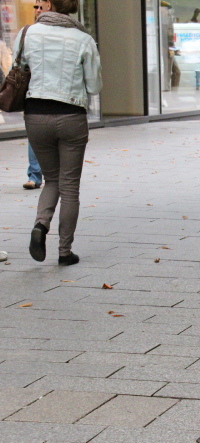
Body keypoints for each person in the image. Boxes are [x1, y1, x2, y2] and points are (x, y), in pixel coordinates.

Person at [19, 0, 102, 266]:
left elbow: (19, 69)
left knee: (50, 179)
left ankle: (40, 226)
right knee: (69, 186)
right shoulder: (83, 39)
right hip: (71, 117)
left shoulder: (27, 33)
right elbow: (95, 85)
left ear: (51, 4)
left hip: (36, 115)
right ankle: (65, 252)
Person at [23, 0, 45, 190]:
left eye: (40, 6)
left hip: (57, 94)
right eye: (35, 7)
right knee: (34, 135)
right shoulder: (27, 33)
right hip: (34, 91)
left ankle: (53, 174)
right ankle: (34, 175)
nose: (37, 10)